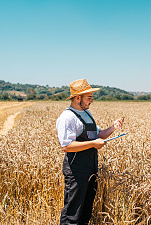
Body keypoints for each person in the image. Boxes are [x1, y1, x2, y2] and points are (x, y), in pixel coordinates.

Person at [56, 79, 124, 225]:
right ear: (78, 97)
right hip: (76, 169)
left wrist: (113, 127)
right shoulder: (68, 117)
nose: (92, 101)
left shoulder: (87, 114)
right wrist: (93, 144)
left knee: (86, 210)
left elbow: (99, 135)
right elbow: (66, 146)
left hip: (90, 167)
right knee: (72, 212)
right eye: (89, 97)